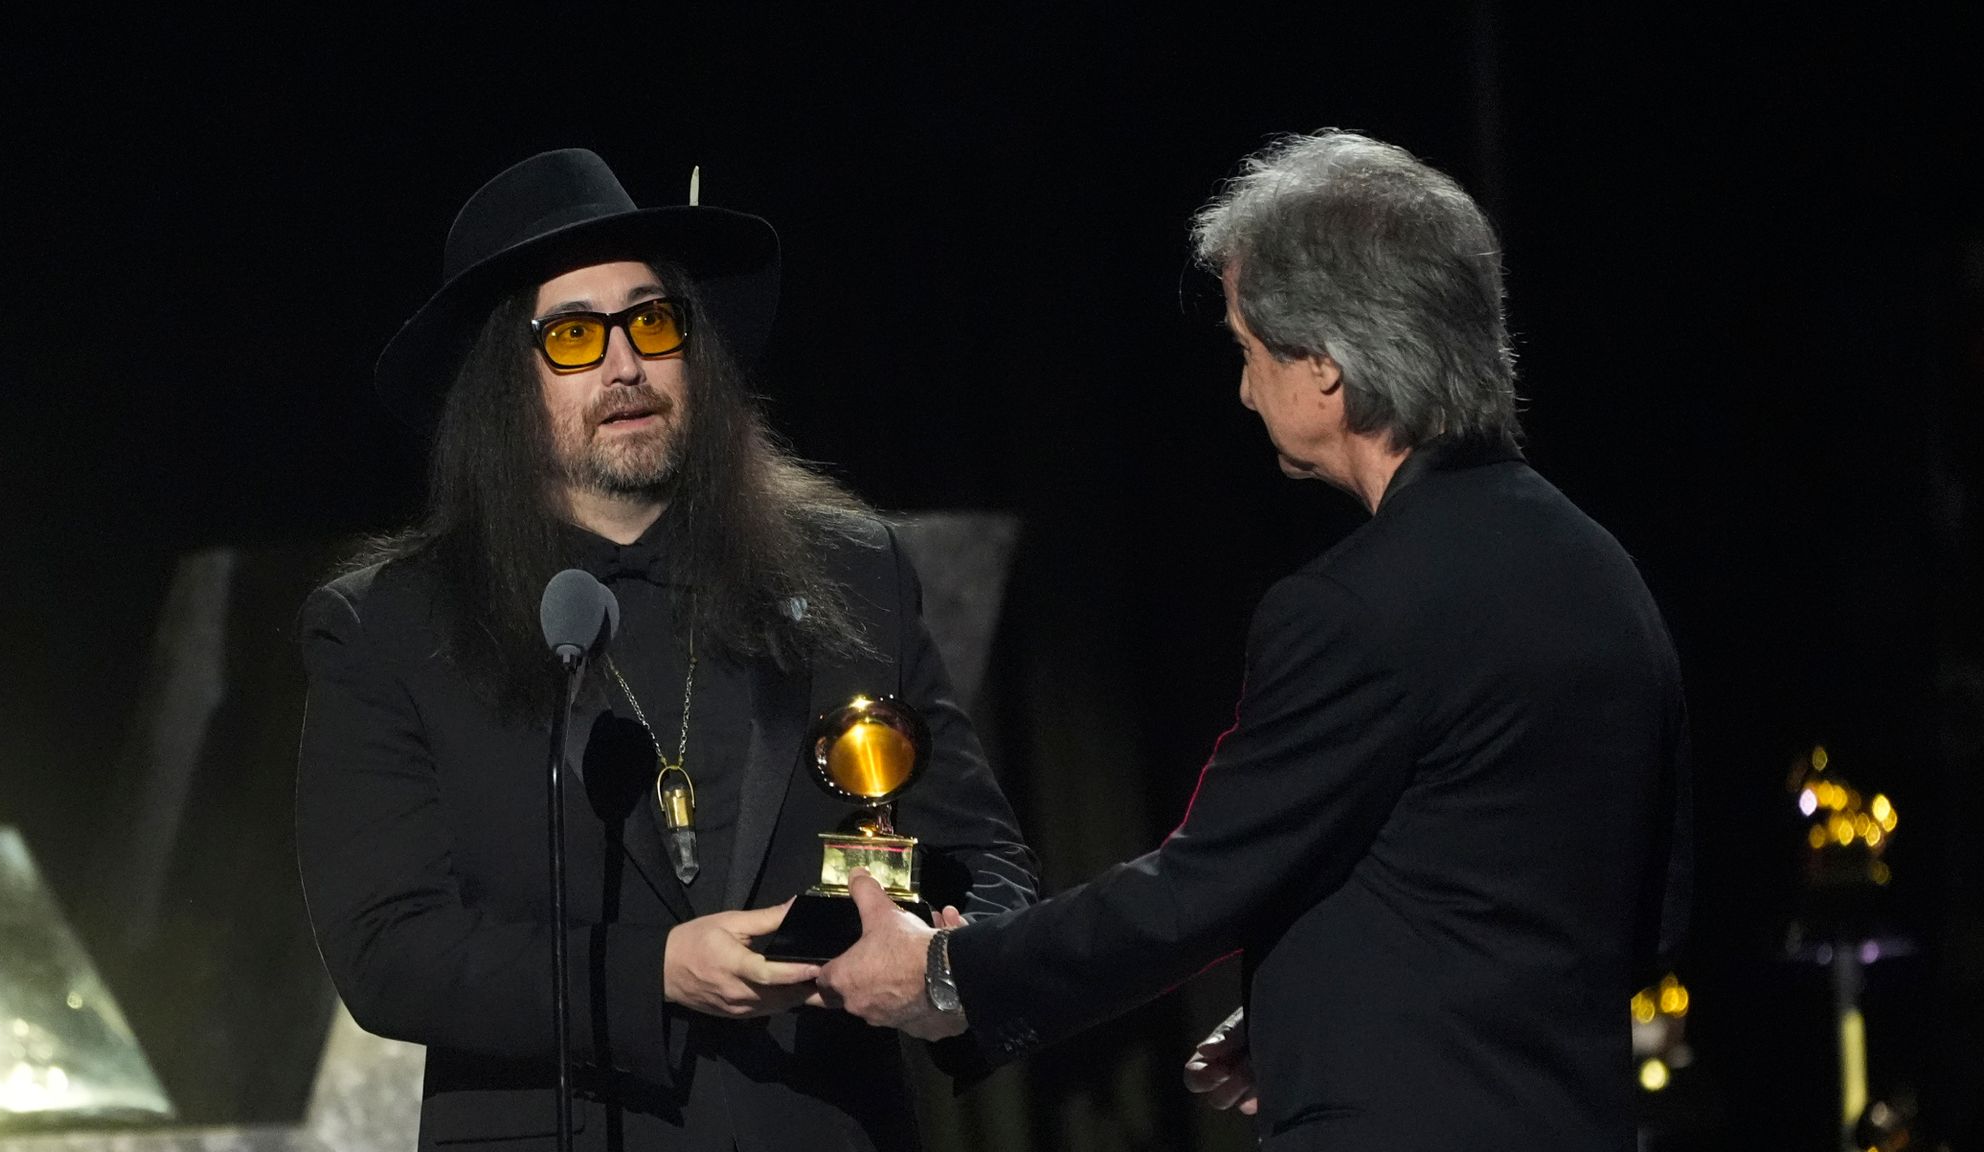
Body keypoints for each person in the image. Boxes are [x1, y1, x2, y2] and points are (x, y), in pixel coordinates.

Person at [817, 130, 1693, 1151]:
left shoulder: (1352, 608)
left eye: (1247, 350)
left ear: (1323, 369)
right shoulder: (1602, 575)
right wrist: (1316, 1012)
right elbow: (1630, 913)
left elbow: (1197, 888)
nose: (1240, 390)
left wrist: (946, 975)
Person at [295, 148, 1038, 1151]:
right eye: (571, 337)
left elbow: (982, 855)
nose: (624, 366)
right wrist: (652, 973)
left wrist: (948, 970)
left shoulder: (849, 568)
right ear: (498, 388)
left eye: (652, 322)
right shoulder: (389, 628)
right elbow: (389, 952)